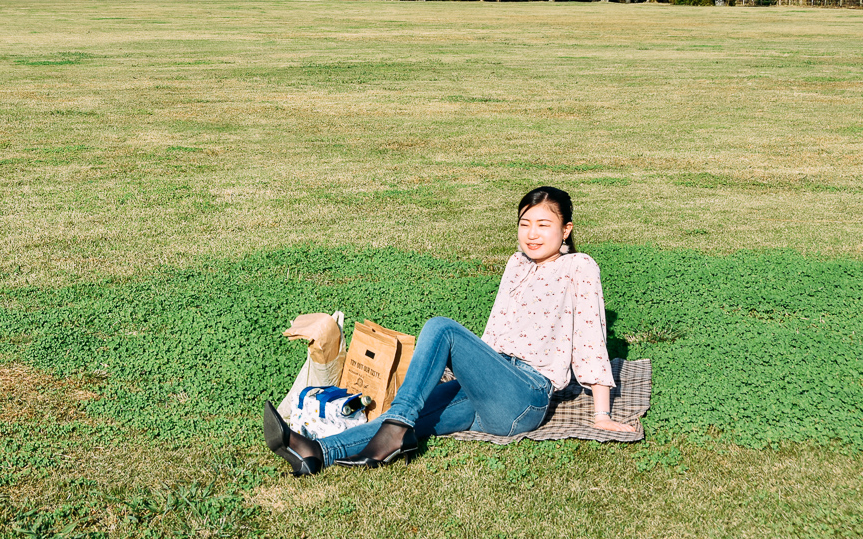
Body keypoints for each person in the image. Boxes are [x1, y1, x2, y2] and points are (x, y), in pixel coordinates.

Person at [264, 186, 637, 476]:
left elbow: (590, 339)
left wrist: (601, 415)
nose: (532, 235)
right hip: (489, 389)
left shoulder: (579, 267)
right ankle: (316, 452)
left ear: (566, 229)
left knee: (440, 329)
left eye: (544, 225)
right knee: (419, 413)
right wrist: (460, 369)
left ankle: (396, 428)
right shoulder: (516, 263)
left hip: (525, 396)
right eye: (525, 224)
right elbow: (495, 331)